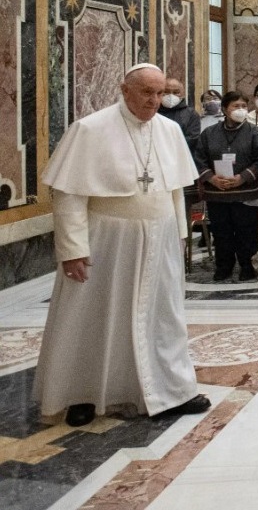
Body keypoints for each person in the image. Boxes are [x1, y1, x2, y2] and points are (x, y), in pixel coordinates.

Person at [37, 63, 209, 427]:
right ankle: (82, 394)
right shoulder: (89, 129)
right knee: (94, 316)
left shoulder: (170, 130)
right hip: (106, 240)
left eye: (161, 93)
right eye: (147, 92)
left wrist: (179, 236)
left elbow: (177, 191)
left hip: (159, 236)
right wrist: (73, 249)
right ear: (124, 89)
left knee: (163, 316)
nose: (155, 100)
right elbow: (68, 194)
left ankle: (173, 389)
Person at [194, 91, 258, 283]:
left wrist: (242, 177)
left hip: (245, 191)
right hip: (217, 192)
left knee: (246, 232)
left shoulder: (254, 132)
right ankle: (223, 267)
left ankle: (247, 266)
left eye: (244, 106)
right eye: (236, 106)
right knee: (221, 232)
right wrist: (211, 178)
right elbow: (199, 159)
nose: (241, 110)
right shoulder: (209, 134)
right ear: (225, 109)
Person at [158, 76, 201, 155]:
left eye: (176, 92)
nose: (171, 96)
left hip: (181, 156)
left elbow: (192, 139)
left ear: (183, 94)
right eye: (166, 92)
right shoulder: (152, 112)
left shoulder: (191, 114)